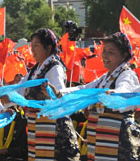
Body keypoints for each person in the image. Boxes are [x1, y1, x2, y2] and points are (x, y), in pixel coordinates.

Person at [57, 32, 140, 160]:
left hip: (117, 143)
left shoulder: (127, 75)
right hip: (101, 141)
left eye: (111, 52)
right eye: (104, 51)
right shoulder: (105, 78)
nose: (105, 56)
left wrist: (115, 94)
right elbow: (84, 89)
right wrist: (60, 94)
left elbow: (124, 90)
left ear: (124, 55)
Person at [15, 29, 80, 161]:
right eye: (31, 46)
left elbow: (60, 97)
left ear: (48, 47)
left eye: (36, 46)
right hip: (40, 129)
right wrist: (6, 95)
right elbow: (20, 89)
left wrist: (52, 96)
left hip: (54, 131)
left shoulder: (54, 68)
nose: (32, 50)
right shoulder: (36, 69)